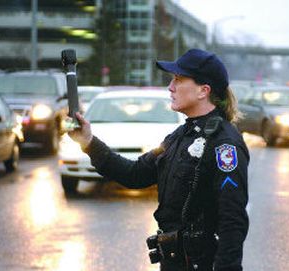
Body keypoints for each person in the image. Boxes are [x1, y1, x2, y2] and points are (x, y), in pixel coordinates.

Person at [69, 48, 249, 271]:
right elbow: (135, 174)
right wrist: (88, 142)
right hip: (174, 261)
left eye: (179, 79)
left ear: (204, 90)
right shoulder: (179, 137)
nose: (170, 87)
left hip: (201, 263)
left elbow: (232, 220)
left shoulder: (224, 144)